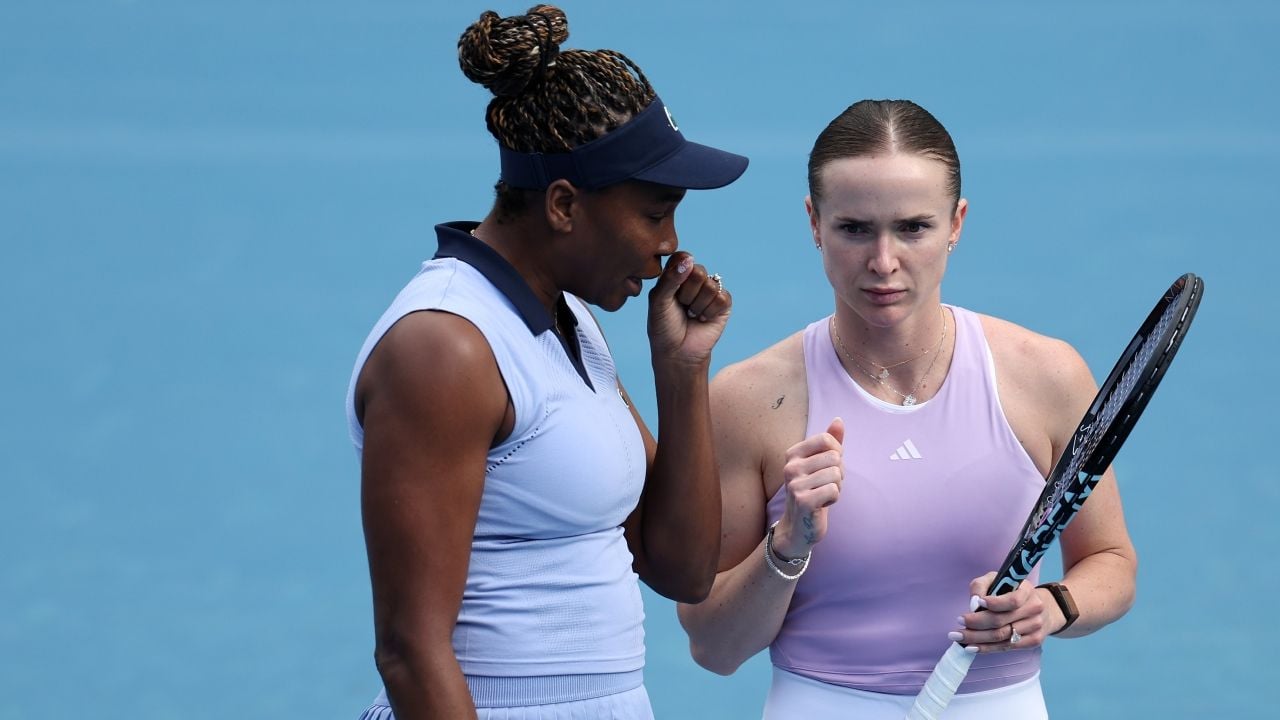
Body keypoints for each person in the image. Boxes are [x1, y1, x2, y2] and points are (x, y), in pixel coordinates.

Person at [344, 6, 747, 719]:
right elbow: (409, 650)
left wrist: (681, 370)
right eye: (655, 213)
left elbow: (682, 568)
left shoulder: (571, 321)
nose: (670, 244)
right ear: (563, 205)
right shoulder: (444, 348)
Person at [676, 99, 1137, 719]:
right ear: (814, 223)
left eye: (914, 228)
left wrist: (1055, 605)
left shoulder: (1047, 375)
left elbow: (1111, 562)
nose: (883, 261)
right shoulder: (748, 400)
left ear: (956, 223)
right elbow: (714, 647)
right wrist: (787, 546)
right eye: (854, 229)